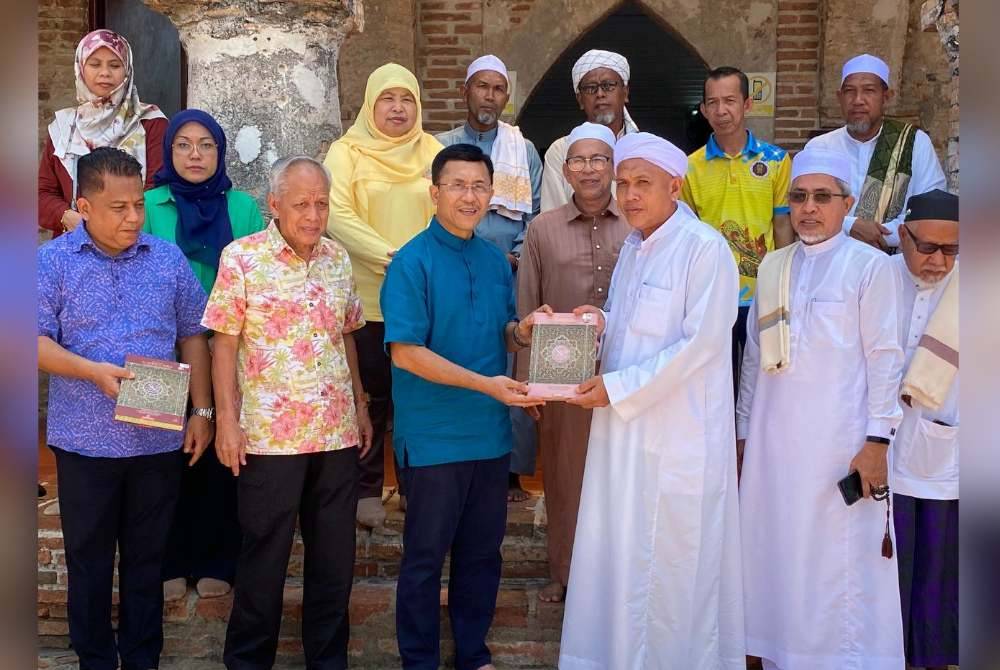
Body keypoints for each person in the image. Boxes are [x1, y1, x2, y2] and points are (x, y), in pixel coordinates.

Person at [559, 133, 745, 669]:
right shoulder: (635, 248)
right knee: (623, 548)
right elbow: (629, 324)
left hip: (678, 437)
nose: (630, 195)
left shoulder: (705, 248)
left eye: (643, 183)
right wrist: (599, 322)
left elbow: (703, 344)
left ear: (675, 186)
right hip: (624, 431)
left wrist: (617, 388)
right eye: (624, 183)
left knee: (671, 560)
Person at [37, 147, 212, 670]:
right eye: (118, 208)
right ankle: (94, 658)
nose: (133, 217)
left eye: (138, 204)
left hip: (156, 439)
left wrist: (201, 413)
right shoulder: (51, 262)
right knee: (88, 564)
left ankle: (142, 659)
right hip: (85, 443)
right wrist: (92, 371)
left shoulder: (166, 257)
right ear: (84, 207)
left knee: (147, 562)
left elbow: (194, 335)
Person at [737, 148, 905, 670]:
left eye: (823, 197)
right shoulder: (773, 266)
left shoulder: (871, 268)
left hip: (843, 445)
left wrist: (877, 443)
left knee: (839, 563)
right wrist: (743, 432)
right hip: (773, 443)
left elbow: (886, 360)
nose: (809, 208)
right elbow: (752, 357)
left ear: (847, 204)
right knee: (779, 554)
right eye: (799, 197)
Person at [381, 144, 547, 670]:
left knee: (481, 557)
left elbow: (499, 329)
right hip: (433, 438)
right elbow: (407, 353)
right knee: (425, 560)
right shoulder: (410, 262)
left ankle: (472, 653)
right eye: (457, 185)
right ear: (434, 193)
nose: (469, 196)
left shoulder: (495, 260)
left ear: (492, 193)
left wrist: (521, 332)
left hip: (489, 433)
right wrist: (487, 385)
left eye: (479, 186)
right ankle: (419, 660)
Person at [203, 156, 373, 670]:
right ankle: (249, 663)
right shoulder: (242, 258)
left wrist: (361, 405)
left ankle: (328, 661)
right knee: (263, 562)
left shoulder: (338, 259)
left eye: (321, 203)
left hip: (336, 433)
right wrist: (226, 421)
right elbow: (223, 344)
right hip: (269, 438)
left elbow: (347, 336)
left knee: (334, 564)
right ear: (273, 205)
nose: (313, 214)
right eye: (301, 204)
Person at [144, 109, 265, 602]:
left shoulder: (244, 207)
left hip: (226, 349)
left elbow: (259, 278)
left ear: (220, 152)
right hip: (158, 349)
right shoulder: (150, 204)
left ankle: (218, 559)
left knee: (223, 452)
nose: (195, 155)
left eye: (206, 146)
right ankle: (169, 560)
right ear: (168, 151)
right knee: (160, 458)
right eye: (184, 145)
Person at [324, 63, 444, 527]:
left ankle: (416, 486)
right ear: (371, 104)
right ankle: (366, 488)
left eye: (407, 99)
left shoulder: (434, 150)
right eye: (387, 99)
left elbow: (449, 208)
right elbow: (337, 214)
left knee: (418, 393)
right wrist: (393, 258)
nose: (398, 108)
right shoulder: (347, 152)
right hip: (367, 295)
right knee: (369, 393)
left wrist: (417, 267)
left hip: (423, 295)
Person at [515, 122, 630, 603]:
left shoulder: (640, 224)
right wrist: (528, 385)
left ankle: (617, 579)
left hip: (627, 373)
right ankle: (563, 573)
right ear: (565, 170)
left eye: (599, 159)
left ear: (614, 167)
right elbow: (528, 306)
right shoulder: (542, 228)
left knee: (623, 478)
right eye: (579, 160)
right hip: (562, 378)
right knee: (565, 478)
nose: (589, 168)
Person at [436, 54, 543, 502]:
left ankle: (511, 468)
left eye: (498, 89)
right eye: (482, 86)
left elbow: (534, 213)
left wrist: (515, 258)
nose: (490, 96)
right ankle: (452, 460)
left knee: (506, 361)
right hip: (448, 269)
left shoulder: (524, 150)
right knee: (455, 353)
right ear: (466, 91)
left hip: (505, 272)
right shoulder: (440, 146)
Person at [681, 66, 793, 392]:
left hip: (764, 292)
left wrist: (784, 284)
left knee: (767, 381)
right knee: (716, 384)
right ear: (703, 110)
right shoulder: (690, 167)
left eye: (730, 100)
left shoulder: (776, 161)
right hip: (712, 295)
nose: (721, 110)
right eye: (712, 103)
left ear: (747, 104)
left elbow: (783, 222)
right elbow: (688, 234)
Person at [890, 189, 959, 670]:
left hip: (945, 456)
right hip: (878, 452)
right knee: (885, 573)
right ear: (901, 236)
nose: (938, 260)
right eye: (928, 247)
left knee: (935, 575)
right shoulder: (876, 278)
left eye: (951, 250)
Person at [804, 54, 946, 251]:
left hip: (896, 262)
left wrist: (882, 237)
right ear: (839, 97)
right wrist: (850, 226)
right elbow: (805, 207)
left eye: (869, 91)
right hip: (832, 261)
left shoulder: (915, 143)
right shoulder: (819, 148)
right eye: (849, 92)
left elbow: (930, 207)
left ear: (886, 97)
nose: (858, 100)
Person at [39, 29, 167, 238]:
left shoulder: (151, 122)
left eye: (115, 65)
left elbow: (156, 189)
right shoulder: (63, 127)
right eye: (95, 64)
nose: (105, 72)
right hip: (74, 244)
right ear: (81, 68)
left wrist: (112, 223)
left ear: (127, 70)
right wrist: (66, 217)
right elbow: (43, 193)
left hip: (133, 242)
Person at [540, 49, 639, 211]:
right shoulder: (560, 151)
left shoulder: (643, 149)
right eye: (591, 88)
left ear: (625, 93)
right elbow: (552, 221)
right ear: (580, 99)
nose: (600, 94)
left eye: (608, 86)